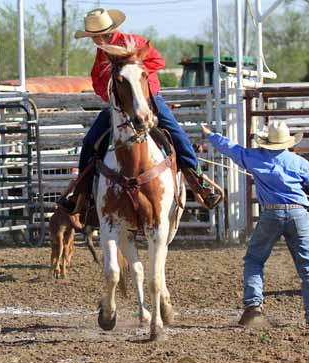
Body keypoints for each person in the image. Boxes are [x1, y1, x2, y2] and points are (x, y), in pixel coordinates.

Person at [60, 8, 222, 219]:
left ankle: (199, 182)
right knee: (90, 141)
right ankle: (80, 194)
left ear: (103, 33)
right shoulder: (102, 52)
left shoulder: (133, 42)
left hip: (148, 99)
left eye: (93, 36)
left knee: (177, 134)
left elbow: (158, 61)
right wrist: (112, 92)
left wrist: (136, 72)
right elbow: (97, 81)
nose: (93, 40)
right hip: (118, 104)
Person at [201, 121, 309, 327]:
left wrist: (211, 135)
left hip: (271, 213)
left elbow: (231, 149)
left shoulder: (253, 157)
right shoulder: (299, 162)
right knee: (308, 266)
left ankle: (253, 306)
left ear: (267, 141)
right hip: (299, 214)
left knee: (254, 259)